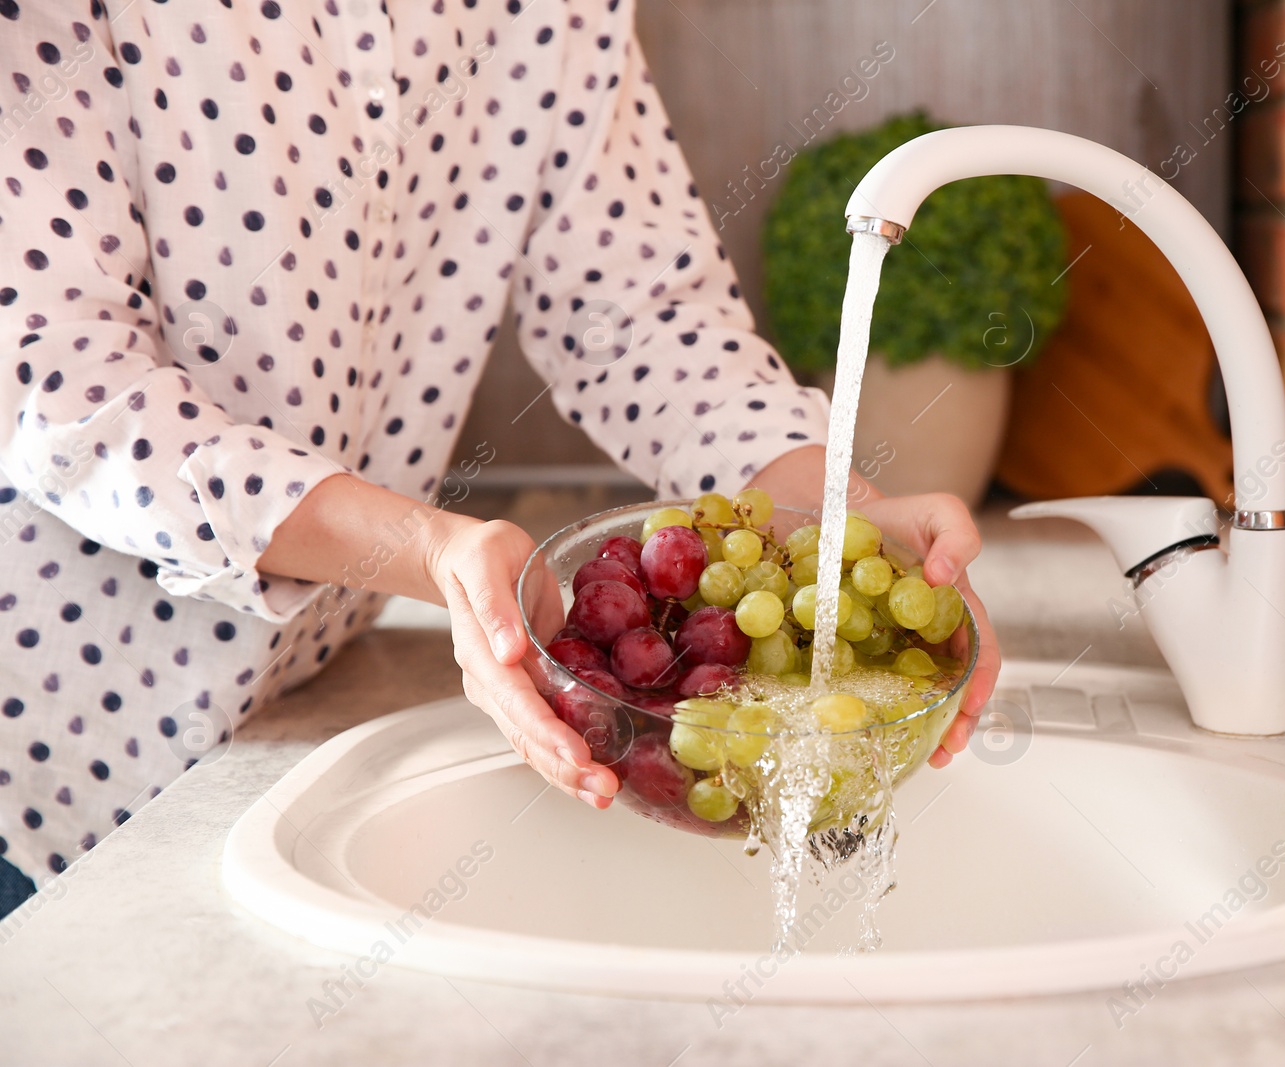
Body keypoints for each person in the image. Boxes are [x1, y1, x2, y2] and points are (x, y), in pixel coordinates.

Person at [0, 0, 998, 916]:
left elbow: (637, 315)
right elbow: (65, 384)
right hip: (47, 756)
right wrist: (425, 548)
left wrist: (839, 509)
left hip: (286, 715)